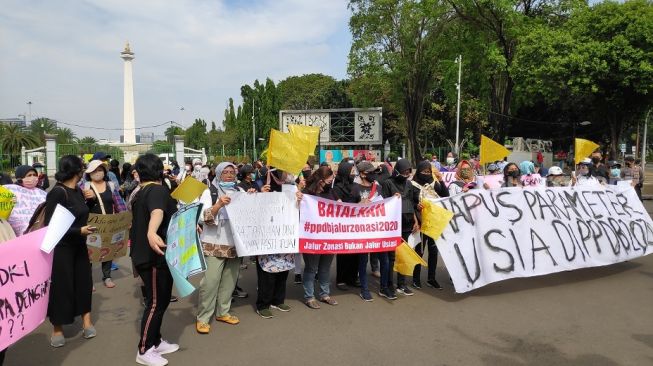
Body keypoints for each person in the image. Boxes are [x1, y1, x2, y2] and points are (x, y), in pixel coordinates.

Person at [130, 153, 180, 365]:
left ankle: (156, 341)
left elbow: (164, 214)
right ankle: (145, 349)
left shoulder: (140, 191)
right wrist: (152, 232)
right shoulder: (158, 189)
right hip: (153, 255)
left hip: (153, 254)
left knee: (161, 300)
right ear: (159, 170)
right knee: (155, 303)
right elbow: (157, 213)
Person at [44, 155, 96, 348]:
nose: (84, 172)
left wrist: (89, 202)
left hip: (79, 247)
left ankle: (87, 322)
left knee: (84, 283)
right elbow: (50, 225)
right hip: (62, 248)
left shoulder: (79, 191)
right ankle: (57, 329)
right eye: (82, 169)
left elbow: (80, 214)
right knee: (62, 287)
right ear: (76, 171)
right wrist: (78, 231)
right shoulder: (57, 192)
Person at [196, 162, 243, 334]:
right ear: (218, 174)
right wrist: (218, 205)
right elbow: (202, 217)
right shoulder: (210, 191)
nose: (230, 175)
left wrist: (255, 197)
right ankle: (203, 317)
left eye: (232, 172)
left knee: (229, 281)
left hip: (235, 244)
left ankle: (223, 312)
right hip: (213, 243)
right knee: (210, 282)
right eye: (225, 172)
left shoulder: (240, 191)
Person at [255, 174, 295, 319]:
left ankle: (278, 300)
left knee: (283, 269)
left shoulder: (291, 186)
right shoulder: (261, 184)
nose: (286, 174)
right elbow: (251, 209)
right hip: (267, 237)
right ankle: (263, 304)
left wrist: (299, 198)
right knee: (267, 273)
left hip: (285, 235)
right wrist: (260, 196)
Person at [82, 160, 127, 289]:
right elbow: (79, 206)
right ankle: (88, 280)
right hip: (91, 225)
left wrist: (124, 220)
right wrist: (87, 199)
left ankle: (107, 276)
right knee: (90, 252)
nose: (97, 173)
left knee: (108, 251)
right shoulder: (84, 186)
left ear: (105, 172)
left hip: (109, 224)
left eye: (100, 170)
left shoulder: (111, 185)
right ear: (89, 173)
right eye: (94, 171)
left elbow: (119, 204)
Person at [300, 166, 339, 308]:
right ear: (321, 180)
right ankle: (309, 296)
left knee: (325, 268)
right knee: (311, 268)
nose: (331, 182)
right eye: (329, 180)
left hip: (329, 237)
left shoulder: (332, 192)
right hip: (312, 238)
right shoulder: (307, 193)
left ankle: (324, 294)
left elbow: (342, 209)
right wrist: (298, 198)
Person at [381, 158, 419, 297]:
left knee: (404, 254)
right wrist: (392, 198)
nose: (406, 174)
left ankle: (402, 284)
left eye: (408, 172)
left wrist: (416, 221)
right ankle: (389, 285)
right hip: (392, 226)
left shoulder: (409, 184)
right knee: (392, 256)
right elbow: (383, 203)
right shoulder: (388, 183)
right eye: (404, 171)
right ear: (397, 170)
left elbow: (411, 203)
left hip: (407, 224)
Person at [411, 160, 449, 289]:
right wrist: (416, 205)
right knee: (419, 251)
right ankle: (416, 279)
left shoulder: (434, 184)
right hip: (420, 223)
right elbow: (409, 202)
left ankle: (431, 278)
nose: (427, 174)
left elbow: (446, 195)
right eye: (424, 172)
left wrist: (441, 180)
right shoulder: (412, 185)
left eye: (429, 172)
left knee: (433, 251)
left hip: (434, 222)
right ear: (418, 172)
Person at [354, 161, 384, 301]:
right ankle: (364, 289)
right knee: (362, 259)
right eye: (370, 172)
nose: (373, 174)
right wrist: (358, 205)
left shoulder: (378, 187)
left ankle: (384, 287)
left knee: (382, 258)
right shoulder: (354, 188)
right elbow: (347, 209)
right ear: (362, 174)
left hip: (375, 228)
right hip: (360, 230)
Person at [332, 161, 361, 291]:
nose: (353, 173)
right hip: (343, 225)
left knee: (355, 253)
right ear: (345, 173)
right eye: (350, 171)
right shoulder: (337, 188)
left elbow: (359, 200)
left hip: (355, 225)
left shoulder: (356, 186)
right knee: (343, 254)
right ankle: (341, 279)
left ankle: (352, 278)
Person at [5, 165, 47, 236]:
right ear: (20, 178)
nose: (32, 178)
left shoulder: (42, 192)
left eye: (34, 175)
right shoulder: (10, 190)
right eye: (29, 175)